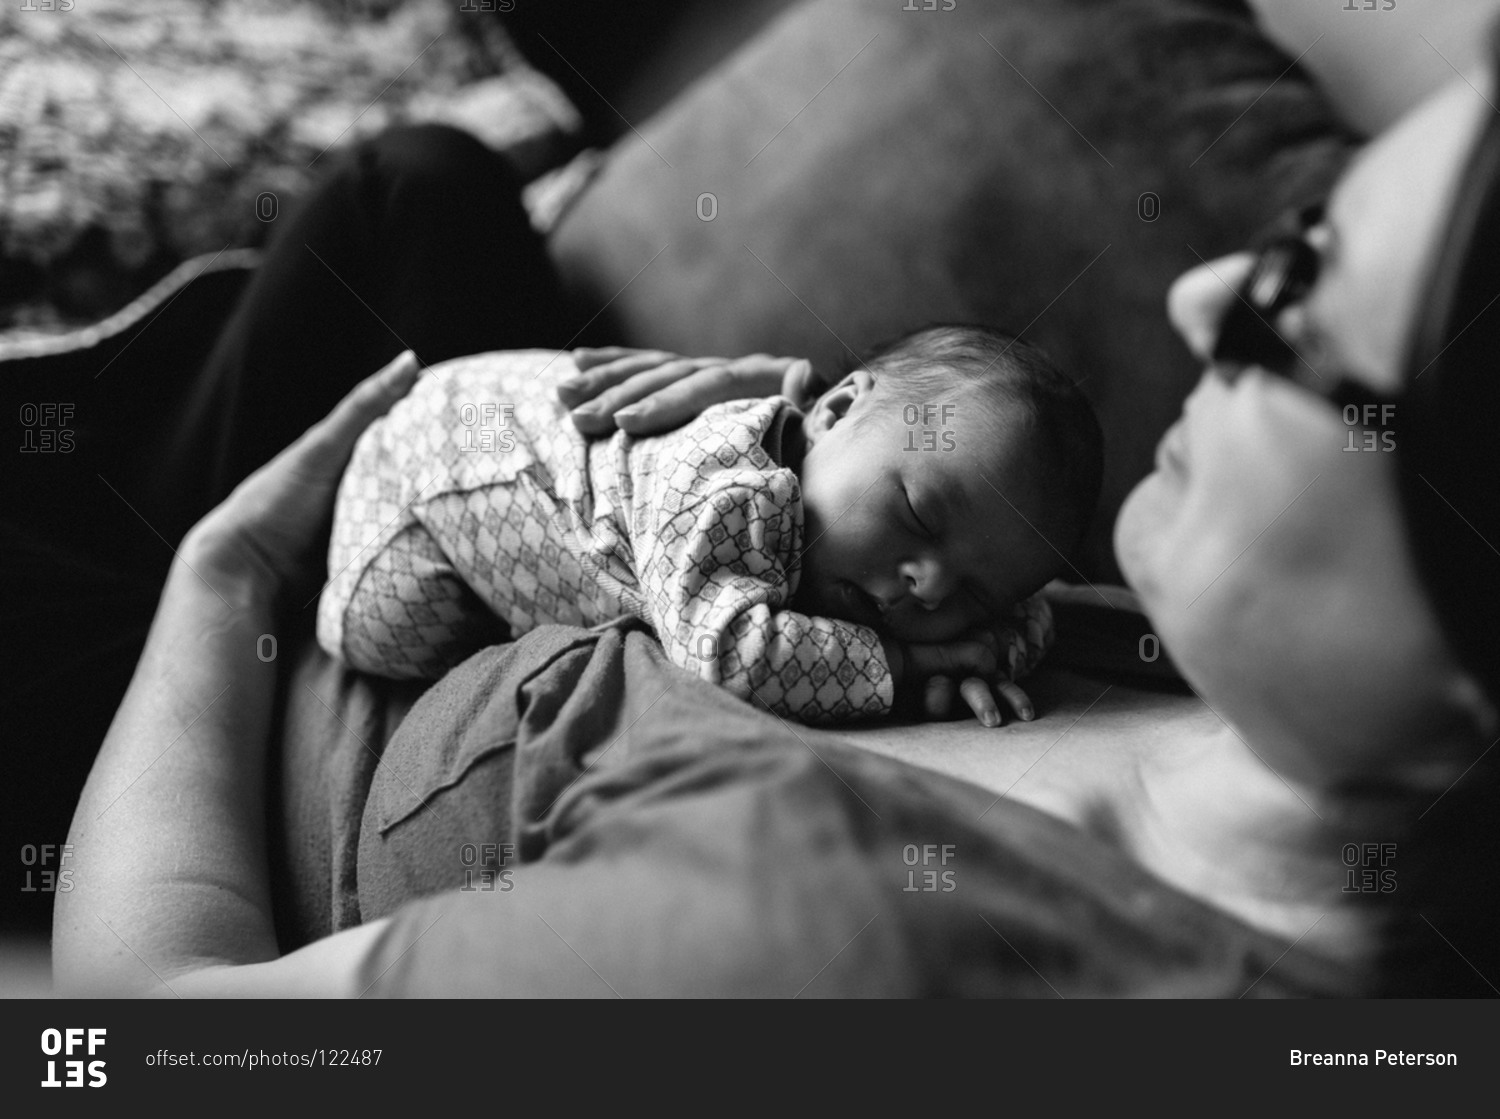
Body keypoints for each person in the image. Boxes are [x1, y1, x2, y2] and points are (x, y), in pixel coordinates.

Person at [51, 32, 1500, 995]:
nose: (1198, 299)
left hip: (259, 698)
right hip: (503, 524)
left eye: (1298, 292)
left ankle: (129, 457)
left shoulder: (826, 925)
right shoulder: (1194, 667)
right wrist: (780, 411)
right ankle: (142, 402)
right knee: (424, 188)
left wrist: (220, 580)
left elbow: (141, 1044)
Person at [316, 325, 1099, 726]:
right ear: (830, 410)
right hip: (426, 470)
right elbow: (723, 655)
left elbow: (1034, 616)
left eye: (975, 590)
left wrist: (986, 647)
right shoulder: (726, 488)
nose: (930, 584)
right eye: (919, 513)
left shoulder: (873, 518)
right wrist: (906, 662)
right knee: (391, 630)